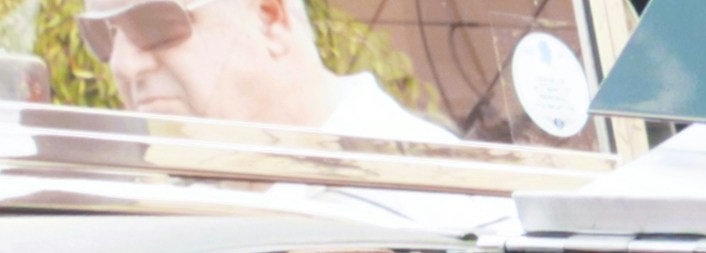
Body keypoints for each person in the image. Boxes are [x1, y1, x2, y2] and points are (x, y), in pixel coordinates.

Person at [76, 0, 456, 144]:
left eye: (151, 25)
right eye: (102, 35)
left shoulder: (433, 201)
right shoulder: (150, 216)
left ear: (269, 21)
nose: (123, 65)